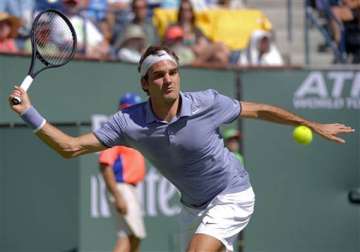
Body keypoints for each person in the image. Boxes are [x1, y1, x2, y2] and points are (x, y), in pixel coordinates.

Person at [8, 45, 354, 252]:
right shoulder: (128, 122)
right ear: (145, 83)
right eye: (159, 75)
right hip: (194, 206)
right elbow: (69, 147)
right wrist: (28, 112)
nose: (169, 79)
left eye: (173, 72)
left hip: (233, 194)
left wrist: (311, 125)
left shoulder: (207, 103)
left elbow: (260, 110)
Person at [99, 92, 146, 252]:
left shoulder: (132, 131)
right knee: (127, 235)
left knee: (134, 236)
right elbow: (105, 165)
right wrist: (118, 195)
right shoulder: (117, 130)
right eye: (129, 108)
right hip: (121, 188)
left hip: (129, 188)